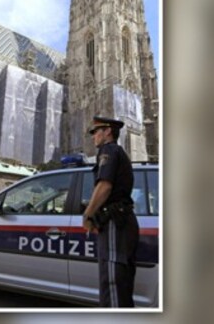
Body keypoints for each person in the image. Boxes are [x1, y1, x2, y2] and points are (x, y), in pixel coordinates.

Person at [82, 116, 139, 307]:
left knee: (113, 285)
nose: (93, 137)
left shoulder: (109, 150)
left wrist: (88, 214)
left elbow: (104, 186)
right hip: (121, 219)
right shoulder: (118, 152)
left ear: (107, 132)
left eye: (96, 132)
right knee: (121, 286)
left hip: (115, 221)